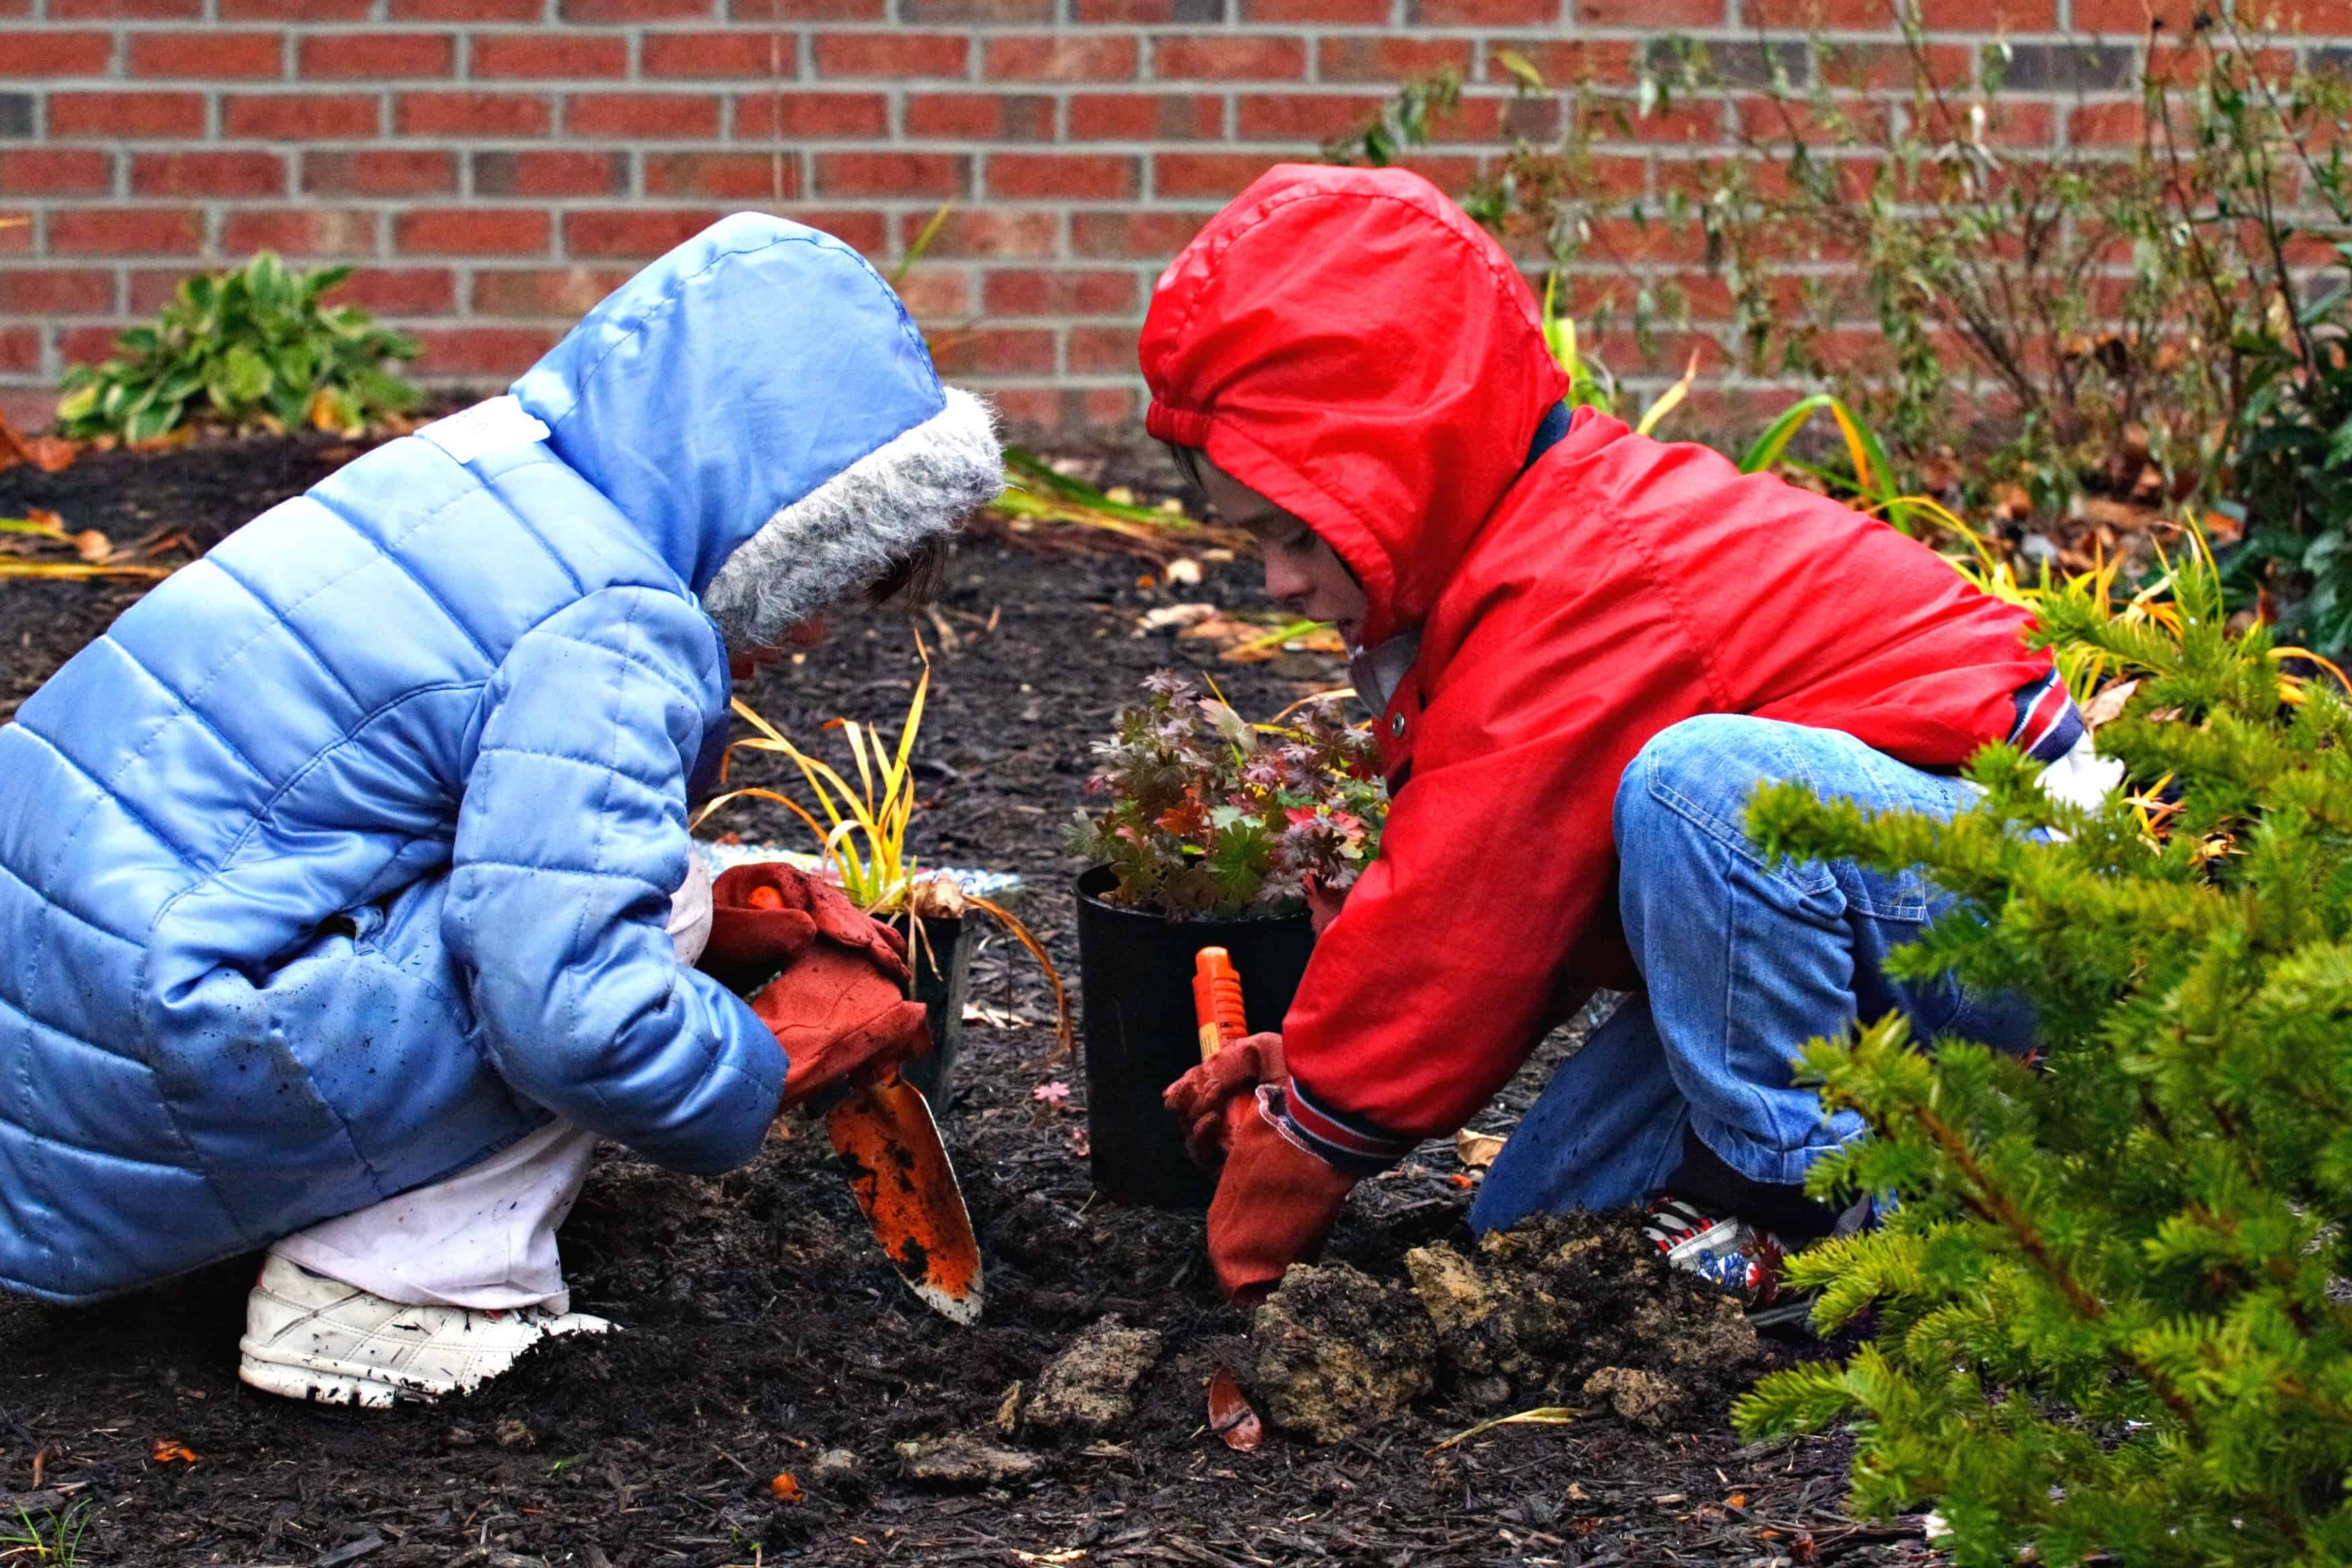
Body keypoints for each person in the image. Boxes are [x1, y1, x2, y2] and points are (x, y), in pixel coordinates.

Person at [0, 213, 1002, 1404]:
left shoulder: (475, 476)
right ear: (791, 516)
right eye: (832, 583)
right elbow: (570, 1014)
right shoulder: (615, 623)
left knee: (664, 885)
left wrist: (717, 914)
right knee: (614, 938)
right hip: (151, 1052)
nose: (809, 633)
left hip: (51, 1020)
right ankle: (388, 1305)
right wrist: (776, 1053)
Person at [1150, 165, 2120, 1315]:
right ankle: (1950, 1158)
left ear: (1403, 470)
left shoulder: (1585, 582)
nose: (1278, 581)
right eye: (1249, 540)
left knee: (1699, 793)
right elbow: (1522, 929)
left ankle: (1801, 1207)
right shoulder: (1513, 558)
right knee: (1531, 1230)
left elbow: (1461, 923)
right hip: (1860, 910)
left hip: (2001, 886)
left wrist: (1297, 1151)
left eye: (1297, 532)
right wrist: (1311, 1073)